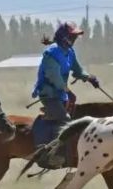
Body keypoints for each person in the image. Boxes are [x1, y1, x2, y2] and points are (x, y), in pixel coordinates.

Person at [32, 22, 99, 165]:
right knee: (65, 120)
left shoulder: (70, 52)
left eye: (75, 37)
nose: (75, 40)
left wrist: (89, 77)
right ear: (65, 37)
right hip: (48, 94)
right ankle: (52, 154)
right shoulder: (51, 53)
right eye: (73, 36)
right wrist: (69, 91)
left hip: (61, 94)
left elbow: (78, 70)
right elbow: (54, 77)